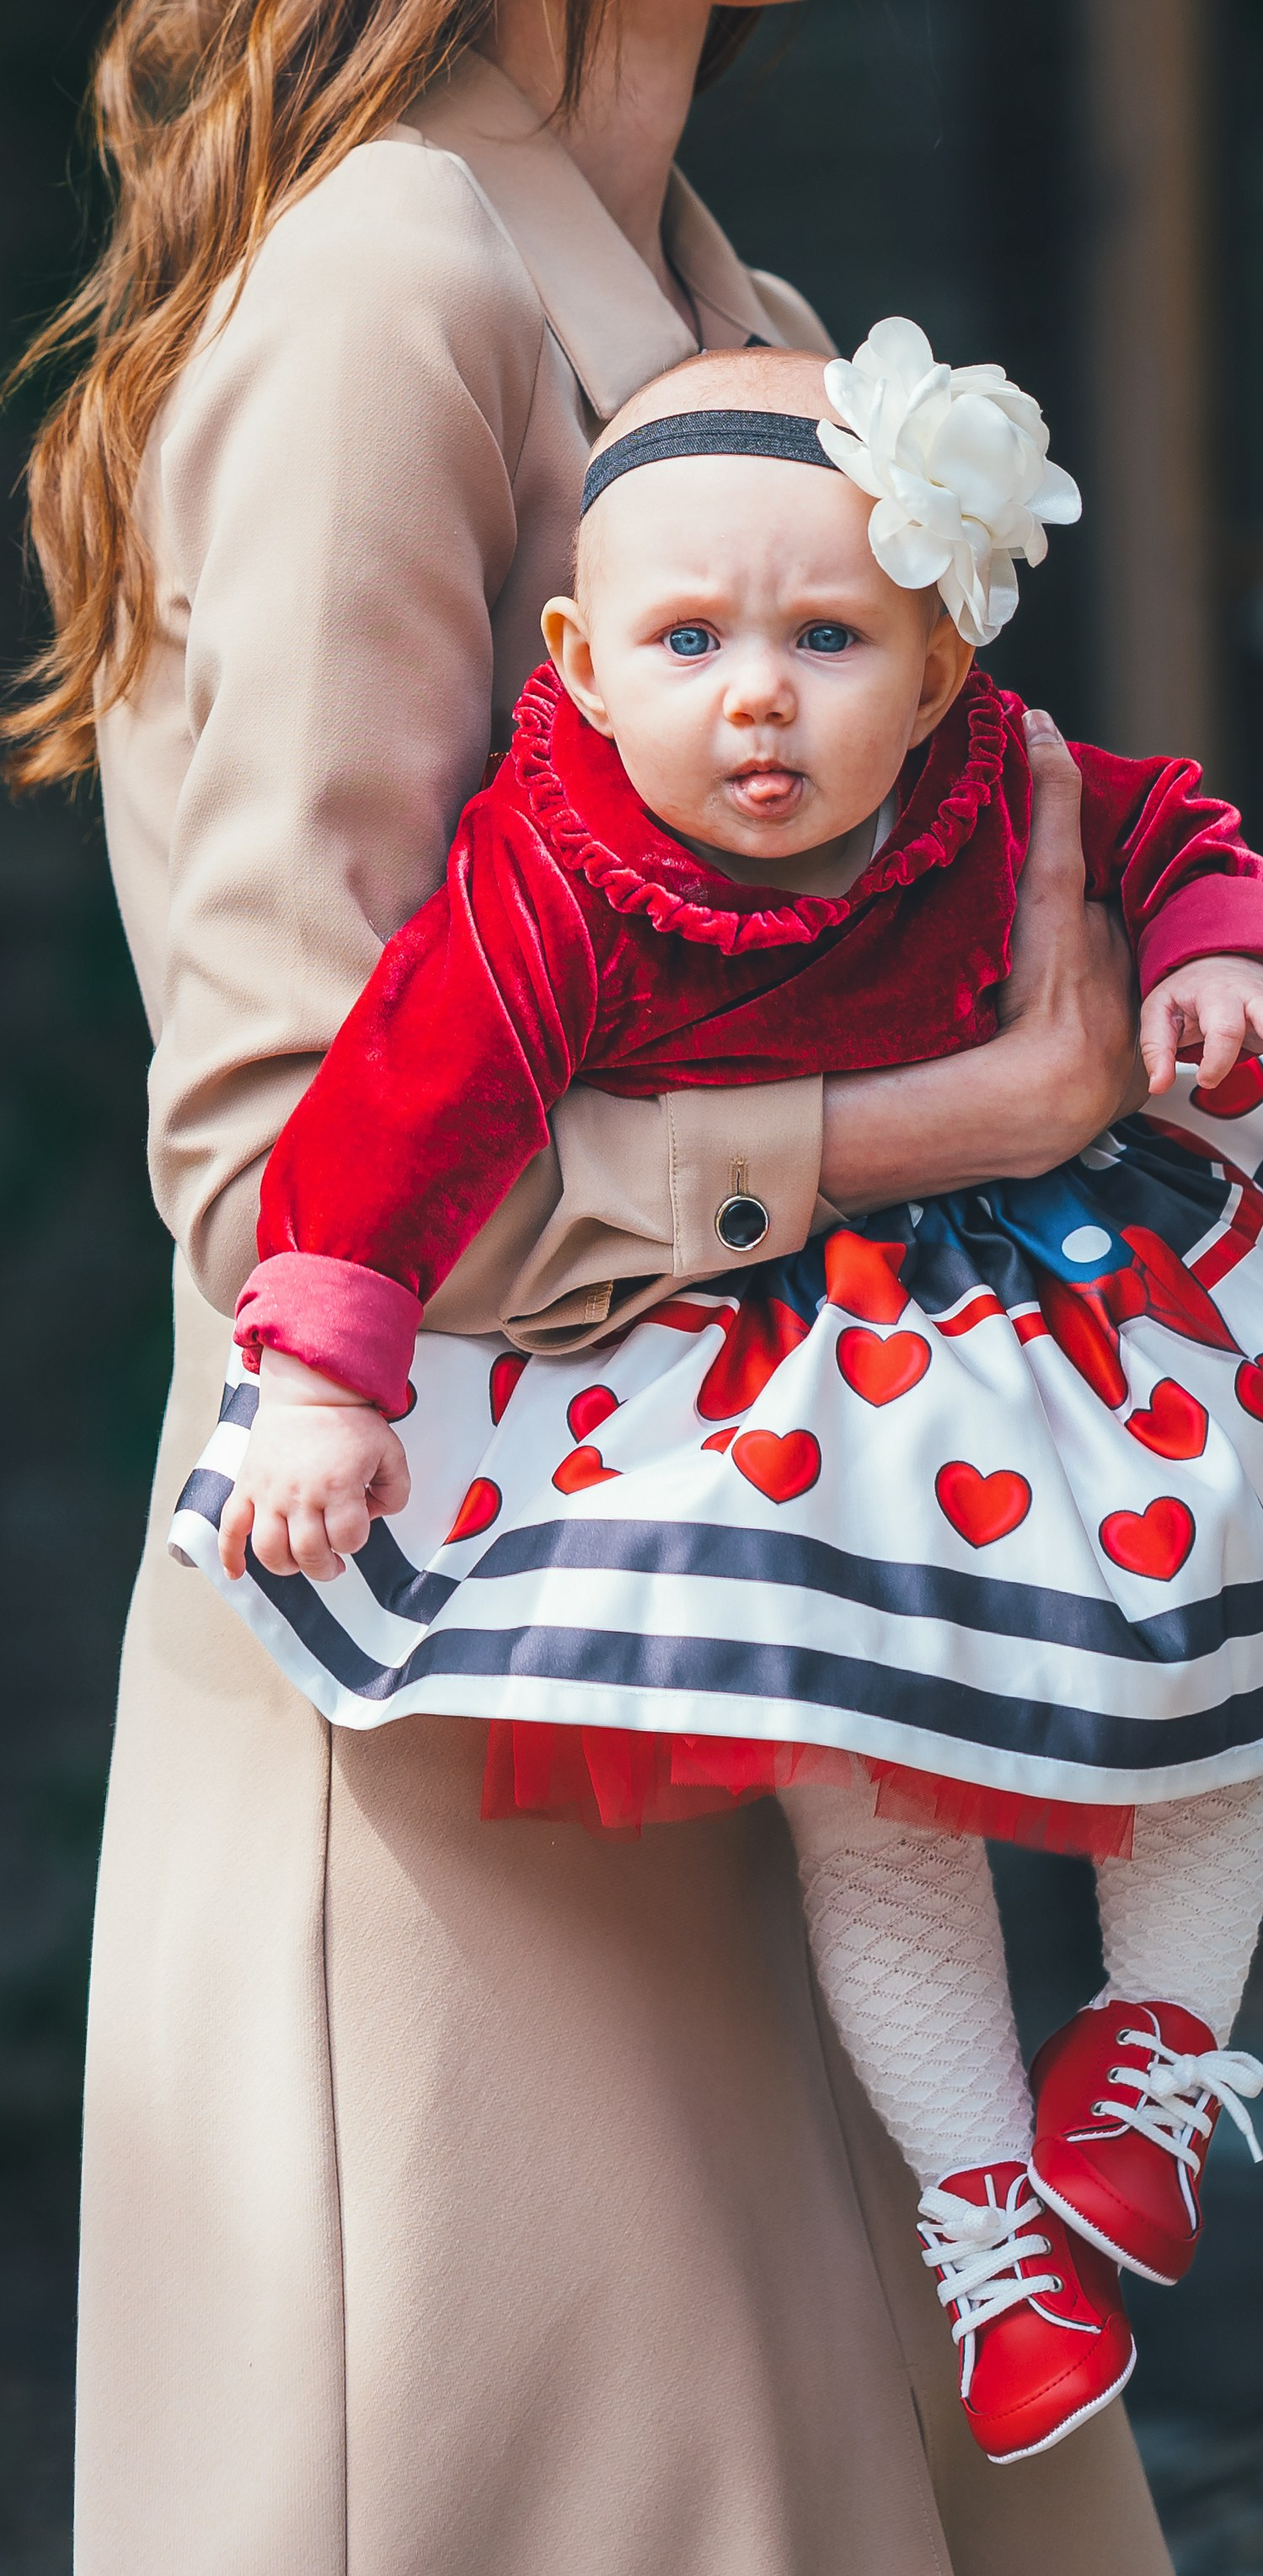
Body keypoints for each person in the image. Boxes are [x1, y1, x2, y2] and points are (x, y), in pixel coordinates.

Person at [4, 4, 1190, 2568]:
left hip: (736, 1656)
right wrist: (951, 1123)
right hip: (456, 1740)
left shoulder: (706, 287)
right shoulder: (389, 281)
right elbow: (268, 1160)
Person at [170, 331, 1263, 2466]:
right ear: (574, 658)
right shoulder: (557, 871)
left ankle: (1149, 2057)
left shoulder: (989, 775)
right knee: (868, 1778)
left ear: (939, 667)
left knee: (1216, 1658)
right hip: (794, 1362)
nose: (754, 692)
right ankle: (986, 2229)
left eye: (826, 635)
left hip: (1065, 1300)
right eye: (688, 637)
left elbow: (1164, 826)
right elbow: (386, 1124)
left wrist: (1220, 950)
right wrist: (319, 1376)